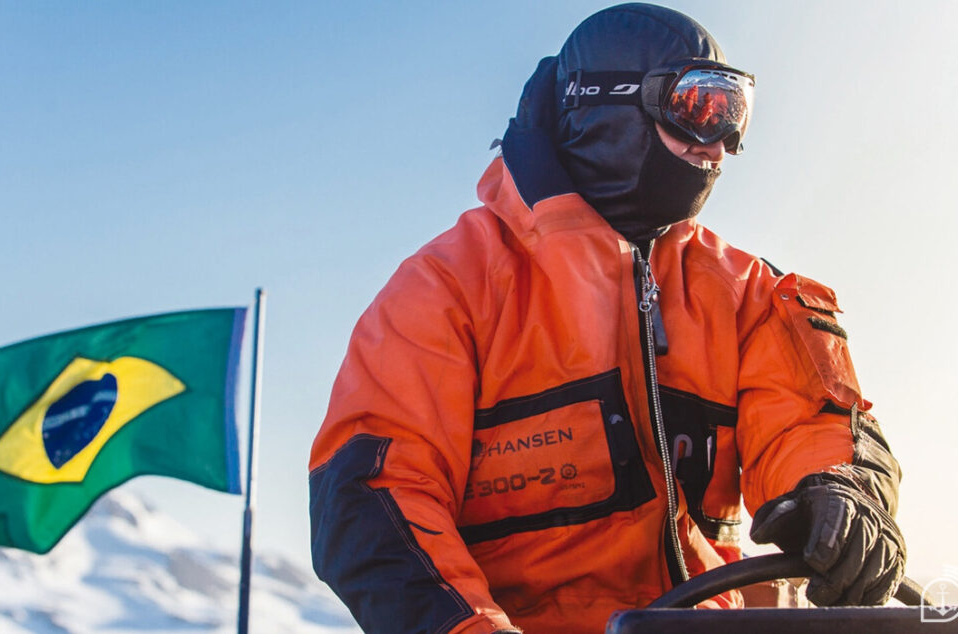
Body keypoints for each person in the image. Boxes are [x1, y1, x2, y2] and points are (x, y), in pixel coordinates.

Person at [308, 4, 905, 633]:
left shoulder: (749, 296)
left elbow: (812, 422)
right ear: (605, 105)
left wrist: (840, 490)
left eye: (735, 114)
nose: (720, 142)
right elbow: (376, 492)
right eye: (698, 105)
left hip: (708, 623)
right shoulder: (448, 288)